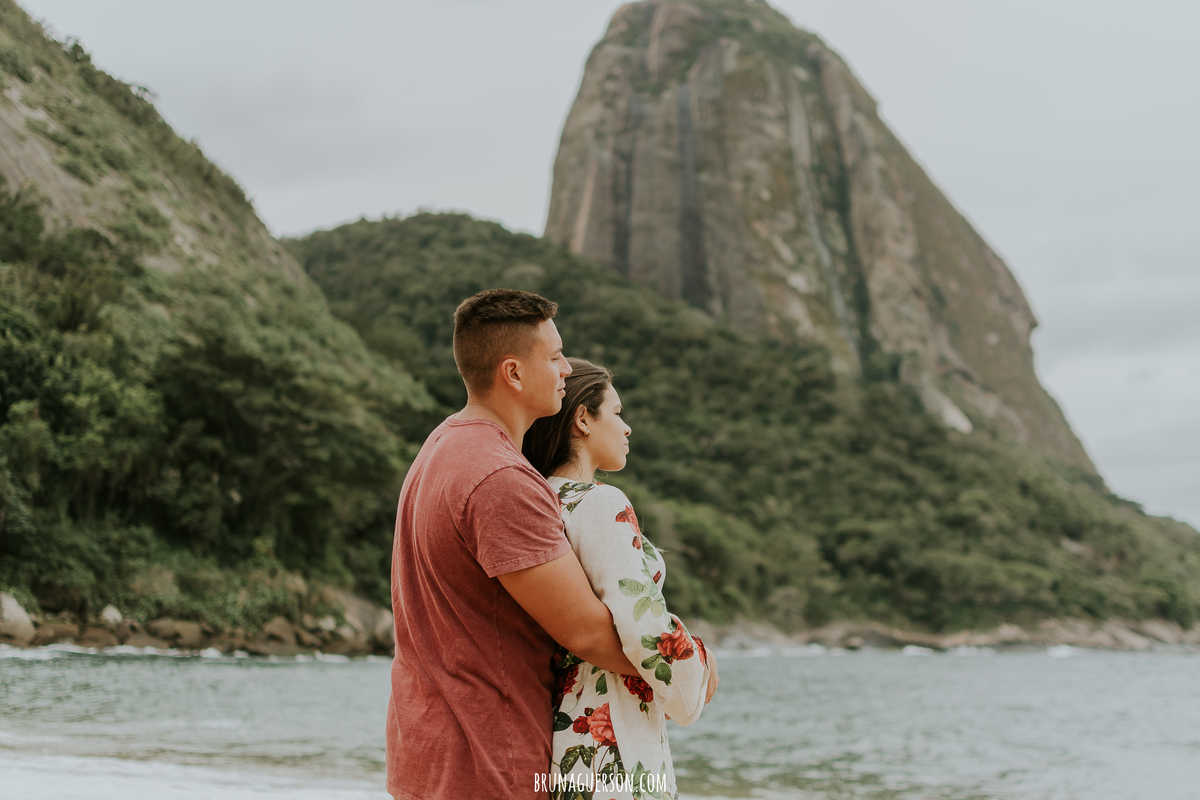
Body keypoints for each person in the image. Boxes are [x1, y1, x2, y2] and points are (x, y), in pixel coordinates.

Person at [386, 290, 638, 800]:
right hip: (488, 762)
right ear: (514, 373)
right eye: (555, 356)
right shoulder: (500, 477)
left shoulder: (441, 444)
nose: (566, 368)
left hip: (426, 752)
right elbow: (587, 633)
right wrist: (689, 670)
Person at [523, 358, 718, 800]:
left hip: (564, 724)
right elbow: (642, 624)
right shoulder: (599, 503)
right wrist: (699, 664)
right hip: (612, 732)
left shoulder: (539, 499)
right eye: (616, 412)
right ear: (582, 419)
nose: (627, 427)